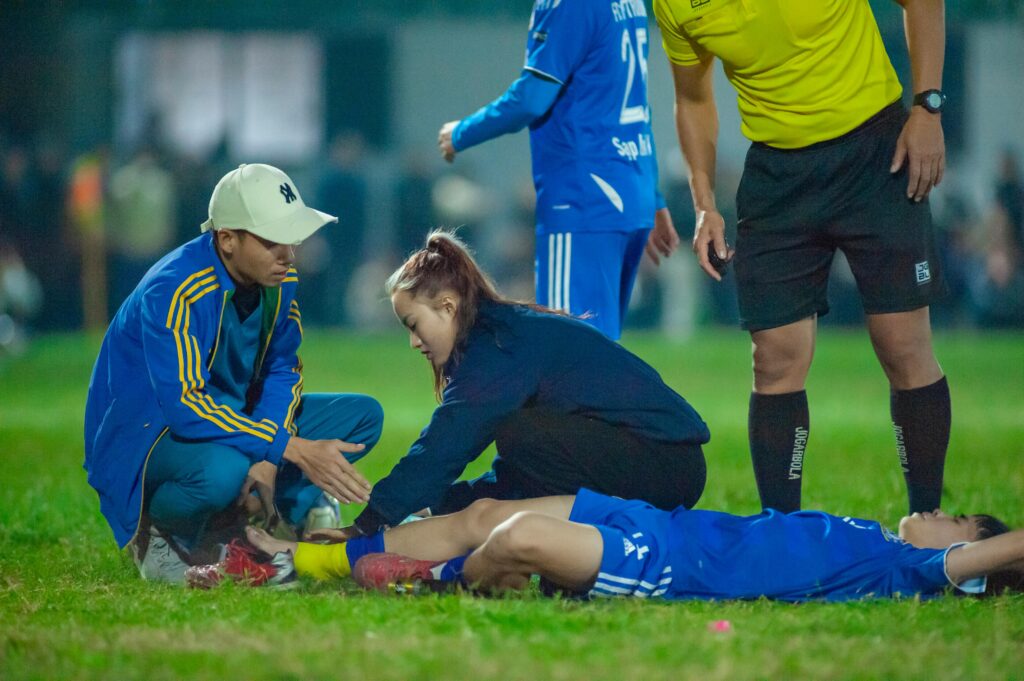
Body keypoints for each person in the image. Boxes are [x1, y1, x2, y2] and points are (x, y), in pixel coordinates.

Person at [653, 0, 954, 514]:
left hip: (875, 152)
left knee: (902, 345)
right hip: (777, 174)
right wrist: (705, 203)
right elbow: (693, 97)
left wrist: (927, 107)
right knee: (775, 359)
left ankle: (927, 520)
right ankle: (782, 532)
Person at [84, 163, 383, 583]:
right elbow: (185, 406)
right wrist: (286, 447)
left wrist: (270, 458)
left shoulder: (279, 279)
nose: (288, 254)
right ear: (227, 239)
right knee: (221, 472)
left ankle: (273, 517)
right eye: (272, 240)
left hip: (230, 419)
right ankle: (158, 534)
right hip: (147, 438)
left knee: (363, 418)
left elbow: (283, 368)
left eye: (291, 239)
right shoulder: (174, 288)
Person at [347, 231, 710, 538]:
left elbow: (446, 443)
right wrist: (442, 507)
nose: (413, 342)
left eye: (413, 324)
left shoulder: (499, 346)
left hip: (666, 462)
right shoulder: (502, 334)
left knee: (521, 433)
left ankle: (587, 546)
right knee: (524, 439)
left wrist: (369, 524)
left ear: (447, 307)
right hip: (666, 460)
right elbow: (520, 475)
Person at [232, 490, 1022, 602]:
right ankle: (303, 557)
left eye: (961, 522)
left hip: (672, 566)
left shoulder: (911, 569)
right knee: (487, 510)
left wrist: (990, 552)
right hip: (663, 519)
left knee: (518, 536)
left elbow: (1001, 552)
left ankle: (437, 582)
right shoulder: (877, 534)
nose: (942, 514)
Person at [436, 0, 680, 340]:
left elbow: (532, 98)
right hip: (628, 189)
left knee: (571, 356)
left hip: (584, 200)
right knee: (599, 354)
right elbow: (638, 105)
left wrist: (461, 133)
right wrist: (652, 196)